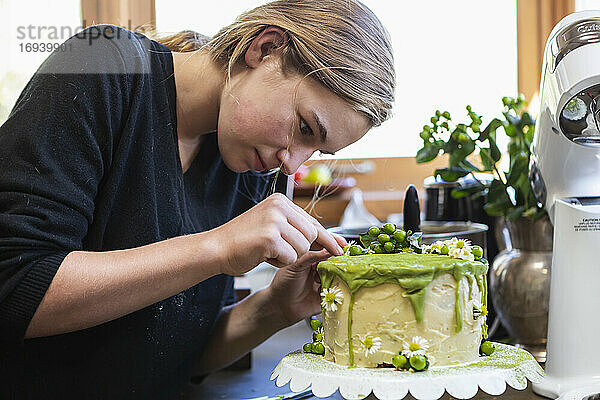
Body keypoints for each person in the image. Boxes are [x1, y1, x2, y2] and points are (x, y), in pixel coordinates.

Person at [0, 0, 395, 398]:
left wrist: (274, 308)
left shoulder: (246, 168)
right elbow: (14, 288)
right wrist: (217, 246)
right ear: (264, 49)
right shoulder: (102, 64)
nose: (291, 163)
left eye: (316, 151)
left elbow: (179, 353)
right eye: (305, 127)